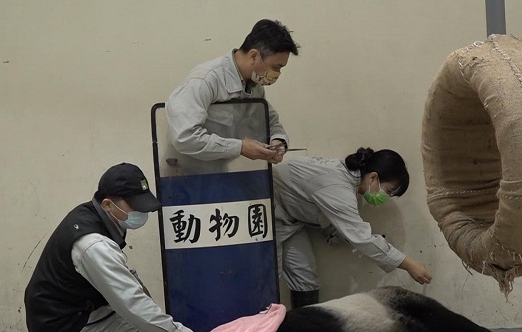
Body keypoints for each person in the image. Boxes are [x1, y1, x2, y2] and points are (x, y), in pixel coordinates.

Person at [24, 163, 224, 332]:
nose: (143, 213)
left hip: (70, 313)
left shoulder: (94, 214)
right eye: (135, 206)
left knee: (152, 319)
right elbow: (132, 304)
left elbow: (124, 285)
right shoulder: (93, 244)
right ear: (108, 204)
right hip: (60, 328)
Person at [272, 147, 433, 308]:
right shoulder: (339, 187)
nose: (386, 197)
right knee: (269, 278)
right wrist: (408, 264)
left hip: (290, 220)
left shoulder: (346, 180)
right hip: (270, 213)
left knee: (305, 278)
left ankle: (304, 330)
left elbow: (330, 215)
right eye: (388, 191)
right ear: (373, 177)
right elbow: (362, 238)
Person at [165, 19, 299, 166]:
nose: (277, 73)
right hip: (184, 172)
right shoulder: (205, 80)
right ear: (254, 56)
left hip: (219, 169)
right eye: (276, 67)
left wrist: (278, 141)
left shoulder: (255, 85)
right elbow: (184, 138)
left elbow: (269, 122)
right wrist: (240, 147)